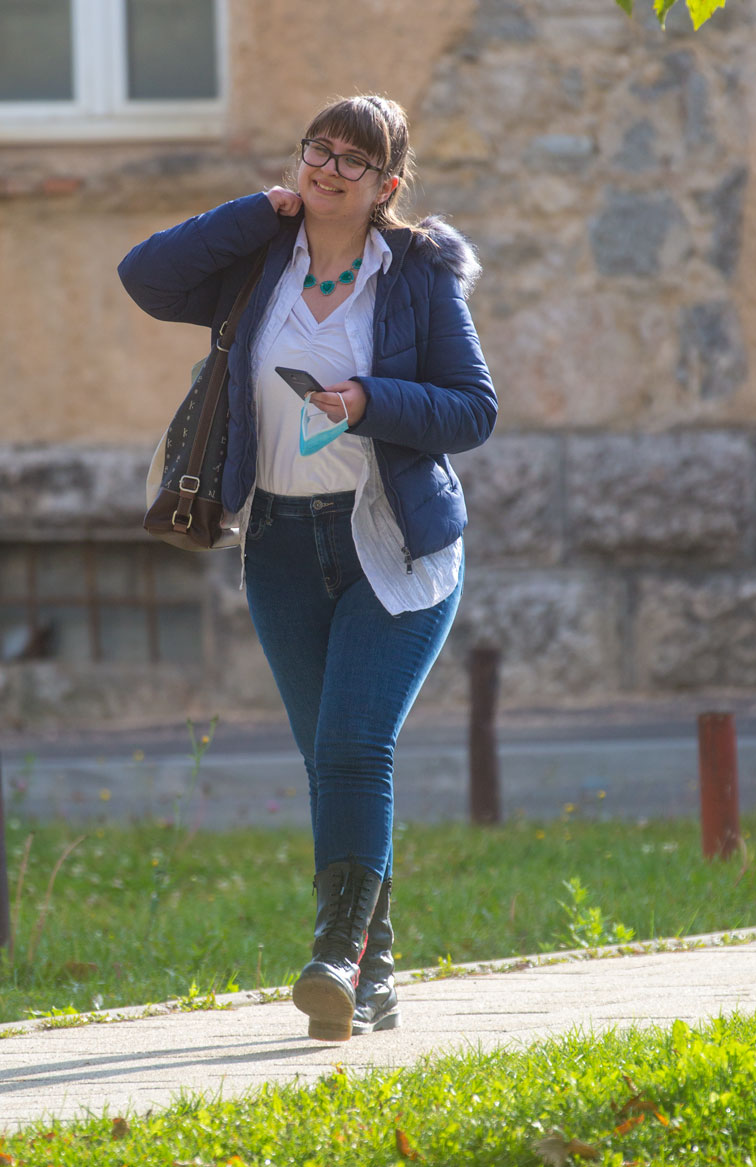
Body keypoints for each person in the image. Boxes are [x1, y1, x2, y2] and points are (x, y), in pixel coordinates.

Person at [118, 94, 497, 1042]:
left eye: (353, 160)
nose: (328, 168)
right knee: (328, 757)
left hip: (392, 540)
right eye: (318, 149)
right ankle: (374, 972)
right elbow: (145, 277)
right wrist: (254, 211)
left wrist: (368, 398)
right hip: (281, 541)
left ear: (386, 186)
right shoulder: (260, 260)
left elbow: (472, 410)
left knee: (355, 747)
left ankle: (334, 956)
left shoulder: (417, 273)